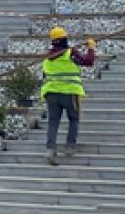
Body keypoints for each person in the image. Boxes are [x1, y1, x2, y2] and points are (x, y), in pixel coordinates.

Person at [41, 26, 96, 165]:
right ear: (65, 39)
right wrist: (91, 48)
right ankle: (70, 146)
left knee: (53, 122)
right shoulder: (70, 52)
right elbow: (88, 61)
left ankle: (50, 149)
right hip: (70, 93)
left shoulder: (48, 57)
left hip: (51, 93)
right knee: (74, 119)